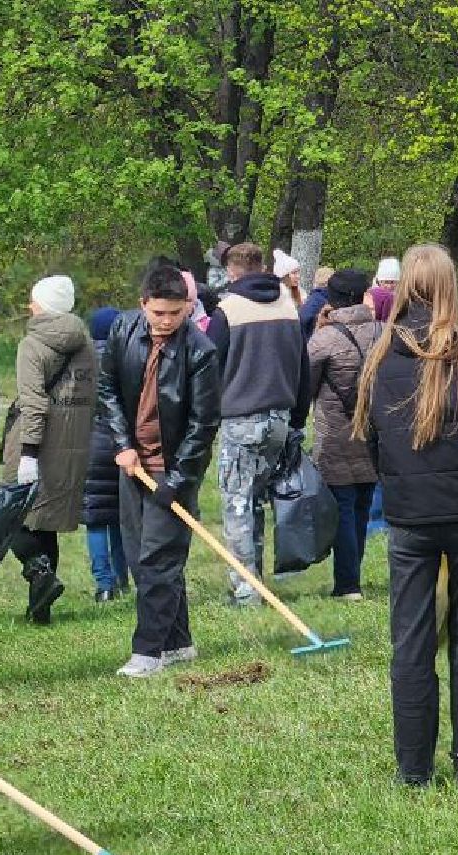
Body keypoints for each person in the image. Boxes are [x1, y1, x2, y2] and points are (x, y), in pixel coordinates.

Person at [352, 244, 458, 787]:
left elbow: (377, 444)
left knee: (413, 641)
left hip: (416, 514)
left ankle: (416, 767)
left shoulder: (388, 359)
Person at [99, 265, 221, 677]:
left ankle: (147, 652)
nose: (167, 322)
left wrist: (179, 480)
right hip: (132, 466)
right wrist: (122, 444)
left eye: (176, 313)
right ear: (143, 306)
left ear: (187, 307)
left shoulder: (200, 351)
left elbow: (203, 424)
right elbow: (108, 389)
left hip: (173, 468)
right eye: (159, 314)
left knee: (159, 560)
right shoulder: (122, 331)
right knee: (141, 558)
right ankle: (178, 641)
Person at [211, 242, 310, 606]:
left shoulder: (228, 311)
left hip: (241, 417)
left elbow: (210, 367)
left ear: (233, 272)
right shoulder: (288, 306)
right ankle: (258, 581)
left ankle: (245, 590)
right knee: (256, 500)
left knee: (237, 502)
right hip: (281, 417)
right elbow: (303, 366)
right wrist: (298, 417)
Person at [0, 276, 97, 625]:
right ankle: (40, 611)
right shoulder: (86, 344)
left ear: (45, 305)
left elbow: (34, 404)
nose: (29, 306)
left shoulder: (32, 344)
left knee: (10, 518)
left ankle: (39, 574)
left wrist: (27, 452)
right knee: (45, 526)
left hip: (36, 443)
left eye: (34, 301)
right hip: (72, 446)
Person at [306, 268, 380, 599]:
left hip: (336, 433)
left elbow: (304, 385)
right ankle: (354, 575)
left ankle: (347, 584)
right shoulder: (384, 332)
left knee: (343, 509)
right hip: (376, 432)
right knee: (363, 506)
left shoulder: (324, 338)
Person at [83, 306, 130, 601]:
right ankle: (123, 577)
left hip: (89, 444)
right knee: (121, 516)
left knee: (96, 517)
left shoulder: (81, 362)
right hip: (121, 444)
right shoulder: (126, 359)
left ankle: (104, 584)